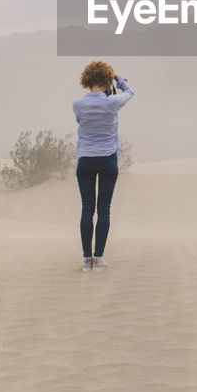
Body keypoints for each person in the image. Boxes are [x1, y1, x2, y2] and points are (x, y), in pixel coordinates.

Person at [72, 60, 134, 272]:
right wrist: (119, 79)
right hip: (107, 159)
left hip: (86, 159)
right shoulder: (113, 102)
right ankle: (98, 258)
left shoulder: (78, 104)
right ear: (106, 81)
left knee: (87, 208)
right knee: (104, 209)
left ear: (87, 80)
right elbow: (130, 92)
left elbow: (81, 121)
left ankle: (86, 258)